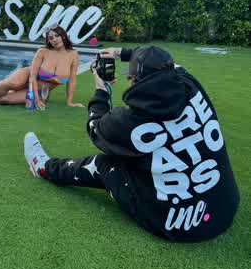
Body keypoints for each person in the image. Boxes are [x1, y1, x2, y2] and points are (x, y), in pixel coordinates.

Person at [24, 45, 239, 241]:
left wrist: (101, 90)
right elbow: (164, 61)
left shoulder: (130, 123)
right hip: (223, 206)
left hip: (176, 223)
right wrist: (121, 53)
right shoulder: (190, 84)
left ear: (134, 80)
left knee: (103, 164)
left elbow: (95, 127)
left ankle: (44, 167)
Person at [0, 25, 84, 108]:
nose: (54, 39)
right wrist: (35, 98)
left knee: (5, 99)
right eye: (51, 38)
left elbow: (72, 80)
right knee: (12, 84)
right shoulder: (43, 51)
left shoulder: (73, 55)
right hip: (28, 77)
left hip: (42, 91)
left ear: (63, 36)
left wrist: (70, 102)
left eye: (57, 36)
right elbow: (32, 76)